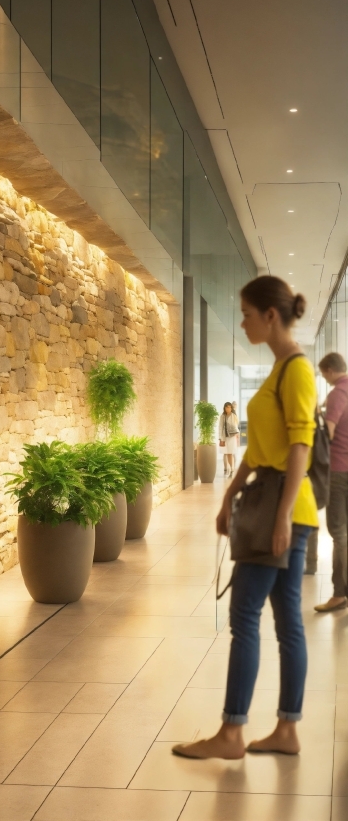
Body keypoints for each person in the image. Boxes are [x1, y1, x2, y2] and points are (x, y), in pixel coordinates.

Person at [173, 276, 317, 760]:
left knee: (244, 616)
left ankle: (232, 733)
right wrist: (229, 493)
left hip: (285, 512)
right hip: (280, 508)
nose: (243, 321)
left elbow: (300, 445)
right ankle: (286, 730)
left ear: (270, 316)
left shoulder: (295, 369)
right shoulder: (280, 369)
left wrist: (280, 519)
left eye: (247, 313)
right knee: (285, 624)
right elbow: (260, 450)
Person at [314, 352, 348, 611]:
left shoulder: (338, 393)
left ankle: (339, 593)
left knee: (338, 533)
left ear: (330, 370)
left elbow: (330, 432)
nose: (324, 378)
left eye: (324, 374)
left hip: (337, 471)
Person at [219, 402, 239, 476]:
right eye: (227, 407)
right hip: (224, 437)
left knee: (230, 452)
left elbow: (235, 426)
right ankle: (229, 468)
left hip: (232, 436)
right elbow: (220, 427)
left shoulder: (233, 416)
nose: (228, 409)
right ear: (224, 408)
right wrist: (220, 437)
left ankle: (232, 469)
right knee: (226, 453)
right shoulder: (222, 416)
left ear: (231, 408)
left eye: (229, 407)